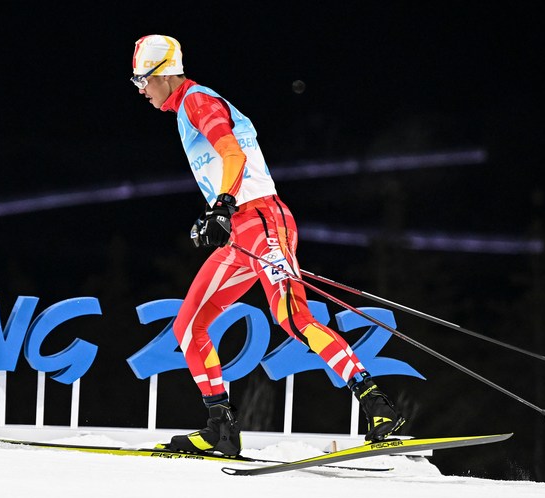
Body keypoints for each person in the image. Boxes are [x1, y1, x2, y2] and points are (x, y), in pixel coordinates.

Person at [130, 34, 406, 456]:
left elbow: (233, 155)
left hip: (261, 221)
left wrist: (221, 206)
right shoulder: (185, 109)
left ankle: (377, 406)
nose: (141, 90)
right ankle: (220, 428)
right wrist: (217, 214)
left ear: (164, 73)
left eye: (142, 80)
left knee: (293, 318)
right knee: (190, 324)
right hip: (241, 233)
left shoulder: (197, 101)